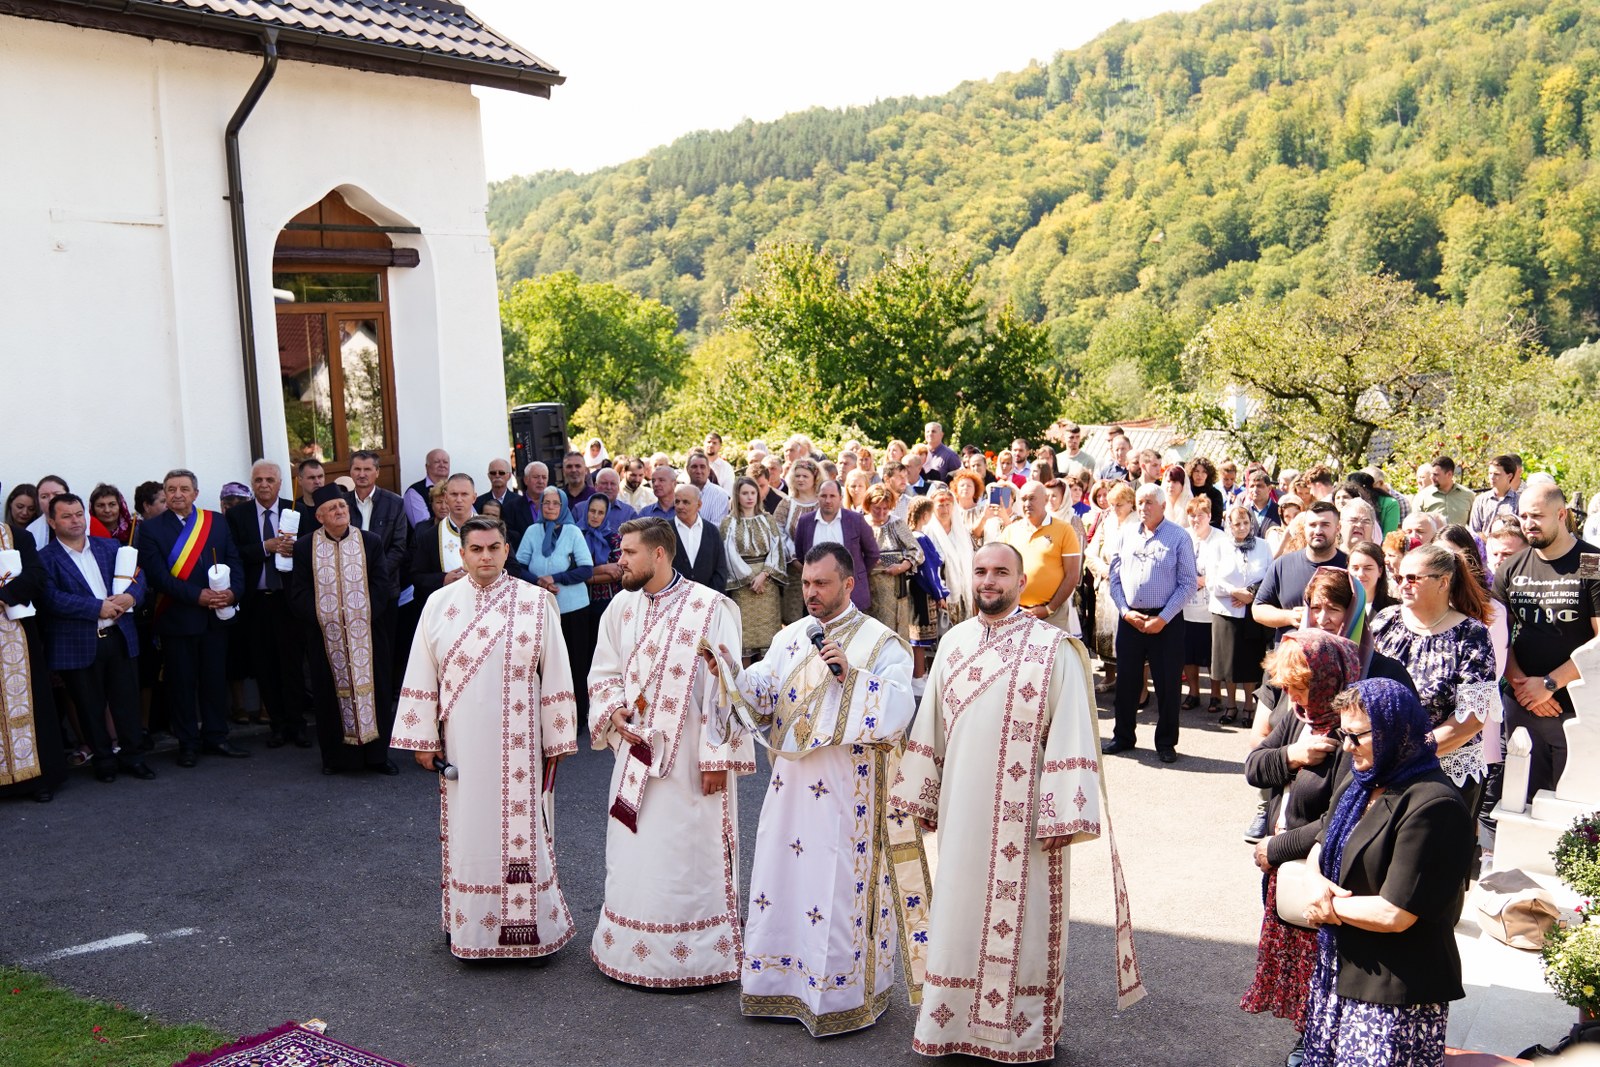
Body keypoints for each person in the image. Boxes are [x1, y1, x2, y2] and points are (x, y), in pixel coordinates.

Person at [892, 542, 1145, 1060]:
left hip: (1026, 821)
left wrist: (1063, 814)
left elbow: (1073, 730)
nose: (989, 581)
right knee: (957, 916)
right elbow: (931, 725)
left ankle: (1021, 1032)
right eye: (981, 571)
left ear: (1021, 581)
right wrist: (924, 797)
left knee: (1027, 927)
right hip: (962, 814)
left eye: (1001, 572)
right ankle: (950, 1026)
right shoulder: (954, 643)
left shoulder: (1054, 648)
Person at [706, 542, 921, 1035]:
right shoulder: (792, 636)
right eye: (805, 583)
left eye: (821, 583)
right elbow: (764, 690)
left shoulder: (881, 643)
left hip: (848, 795)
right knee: (783, 879)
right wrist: (731, 674)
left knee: (835, 887)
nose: (811, 593)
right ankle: (778, 983)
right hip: (791, 789)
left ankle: (841, 995)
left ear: (849, 584)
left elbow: (897, 709)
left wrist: (852, 677)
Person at [392, 515, 577, 959]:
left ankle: (529, 929)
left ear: (507, 550)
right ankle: (470, 928)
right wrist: (423, 738)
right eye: (476, 549)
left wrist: (558, 738)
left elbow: (556, 671)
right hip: (463, 744)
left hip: (522, 745)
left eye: (494, 548)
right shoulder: (439, 604)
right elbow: (421, 670)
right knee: (469, 832)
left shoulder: (536, 602)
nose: (485, 557)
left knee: (526, 833)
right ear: (462, 553)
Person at [587, 517, 754, 986]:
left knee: (689, 853)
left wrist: (718, 758)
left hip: (691, 765)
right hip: (634, 757)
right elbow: (603, 673)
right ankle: (630, 953)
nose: (620, 561)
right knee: (634, 851)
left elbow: (726, 688)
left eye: (629, 553)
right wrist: (614, 711)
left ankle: (696, 959)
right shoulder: (620, 608)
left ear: (658, 554)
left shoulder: (710, 607)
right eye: (620, 552)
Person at [1299, 680, 1474, 1067]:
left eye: (1357, 736)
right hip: (1338, 971)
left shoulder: (1435, 805)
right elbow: (1319, 846)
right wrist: (1316, 886)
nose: (1347, 747)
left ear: (1395, 731)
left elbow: (1396, 914)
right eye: (1343, 734)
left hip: (1392, 995)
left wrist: (1328, 909)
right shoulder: (1361, 782)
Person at [1240, 629, 1363, 1066]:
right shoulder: (1298, 717)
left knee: (1321, 964)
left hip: (1315, 869)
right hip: (1282, 867)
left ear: (1326, 681)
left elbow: (1338, 819)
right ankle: (1308, 1036)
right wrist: (1292, 755)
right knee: (1300, 961)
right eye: (1287, 687)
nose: (1291, 697)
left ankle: (1314, 1042)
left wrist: (1276, 848)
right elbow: (1254, 767)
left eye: (1299, 687)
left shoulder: (1352, 734)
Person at [1370, 543, 1497, 818]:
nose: (1403, 585)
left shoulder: (1471, 634)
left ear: (1443, 582)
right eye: (1399, 577)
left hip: (1443, 777)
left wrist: (1409, 754)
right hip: (1381, 767)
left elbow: (1471, 720)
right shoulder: (1384, 622)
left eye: (1413, 578)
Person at [37, 493, 154, 784]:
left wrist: (130, 597)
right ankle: (103, 761)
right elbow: (50, 598)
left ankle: (133, 757)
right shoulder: (44, 559)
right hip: (78, 643)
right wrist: (95, 607)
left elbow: (138, 576)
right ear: (52, 522)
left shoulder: (110, 546)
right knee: (89, 706)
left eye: (79, 514)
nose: (75, 521)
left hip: (119, 636)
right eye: (66, 516)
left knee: (126, 702)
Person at [1496, 482, 1600, 801]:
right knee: (1520, 803)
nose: (1529, 523)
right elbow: (1497, 638)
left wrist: (1550, 684)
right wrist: (1522, 687)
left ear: (1561, 514)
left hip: (1575, 709)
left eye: (1537, 516)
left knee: (1572, 807)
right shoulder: (1512, 567)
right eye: (1524, 516)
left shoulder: (1591, 562)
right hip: (1522, 706)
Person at [137, 469, 247, 767]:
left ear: (195, 493)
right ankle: (187, 743)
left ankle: (217, 736)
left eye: (184, 489)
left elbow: (234, 560)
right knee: (182, 685)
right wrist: (197, 596)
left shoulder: (216, 521)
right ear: (165, 493)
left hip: (215, 616)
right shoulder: (151, 529)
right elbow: (159, 577)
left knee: (214, 680)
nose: (178, 494)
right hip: (177, 618)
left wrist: (233, 593)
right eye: (171, 489)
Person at [291, 485, 396, 775]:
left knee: (376, 693)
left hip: (368, 634)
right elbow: (298, 591)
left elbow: (382, 584)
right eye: (332, 508)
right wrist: (326, 617)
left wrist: (362, 614)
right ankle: (336, 759)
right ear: (320, 517)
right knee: (329, 695)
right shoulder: (304, 547)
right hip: (326, 637)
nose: (339, 511)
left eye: (342, 506)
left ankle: (377, 757)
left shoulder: (369, 541)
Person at [1104, 483, 1197, 764]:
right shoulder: (1126, 534)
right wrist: (1124, 611)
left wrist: (1163, 618)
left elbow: (1188, 583)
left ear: (1163, 506)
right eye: (1140, 502)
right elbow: (1114, 578)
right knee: (1126, 682)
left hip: (1166, 621)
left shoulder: (1179, 536)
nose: (1143, 508)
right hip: (1131, 619)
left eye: (1149, 503)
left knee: (1168, 685)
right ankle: (1123, 736)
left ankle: (1166, 743)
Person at [224, 459, 311, 749]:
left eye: (269, 480)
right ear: (252, 484)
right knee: (265, 667)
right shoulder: (238, 515)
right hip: (256, 602)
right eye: (258, 480)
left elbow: (312, 549)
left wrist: (295, 549)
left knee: (292, 666)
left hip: (289, 601)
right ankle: (277, 725)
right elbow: (233, 553)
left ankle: (297, 724)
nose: (264, 485)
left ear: (280, 483)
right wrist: (266, 547)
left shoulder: (295, 510)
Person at [0, 508, 66, 802]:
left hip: (16, 635)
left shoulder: (17, 537)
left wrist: (3, 595)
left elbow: (37, 575)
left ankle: (38, 779)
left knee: (31, 705)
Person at [1206, 503, 1275, 724]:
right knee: (1229, 664)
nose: (1242, 527)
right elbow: (1211, 581)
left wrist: (1251, 593)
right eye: (1237, 524)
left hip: (1252, 611)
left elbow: (1270, 577)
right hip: (1226, 612)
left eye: (1246, 522)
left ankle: (1248, 705)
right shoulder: (1218, 546)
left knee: (1250, 661)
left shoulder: (1263, 546)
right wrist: (1233, 591)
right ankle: (1230, 705)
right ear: (1229, 525)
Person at [517, 486, 595, 684]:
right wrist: (539, 582)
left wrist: (555, 578)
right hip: (540, 606)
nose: (550, 507)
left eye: (555, 503)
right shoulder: (532, 531)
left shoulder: (573, 532)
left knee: (576, 660)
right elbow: (518, 568)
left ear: (563, 506)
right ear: (540, 505)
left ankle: (579, 702)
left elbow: (586, 570)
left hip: (573, 608)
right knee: (545, 661)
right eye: (546, 503)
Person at [1254, 501, 1347, 645]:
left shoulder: (1349, 566)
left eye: (1325, 525)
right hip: (1290, 655)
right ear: (1304, 527)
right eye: (1312, 525)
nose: (1318, 531)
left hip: (1336, 653)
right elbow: (1258, 609)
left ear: (1338, 528)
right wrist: (1290, 616)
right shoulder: (1282, 564)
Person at [720, 477, 786, 664]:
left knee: (768, 640)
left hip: (767, 585)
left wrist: (764, 575)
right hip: (743, 586)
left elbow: (777, 548)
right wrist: (750, 578)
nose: (749, 497)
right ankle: (745, 679)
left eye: (753, 493)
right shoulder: (729, 522)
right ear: (737, 495)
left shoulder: (768, 519)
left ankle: (767, 678)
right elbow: (729, 553)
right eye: (745, 493)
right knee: (745, 640)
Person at [1002, 480, 1082, 635]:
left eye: (1032, 498)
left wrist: (1049, 609)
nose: (1027, 504)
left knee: (1053, 651)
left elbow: (1072, 575)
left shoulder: (1064, 530)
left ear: (1046, 500)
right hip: (1016, 614)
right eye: (1023, 499)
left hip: (1053, 615)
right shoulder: (1011, 531)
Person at [793, 480, 879, 614]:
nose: (828, 500)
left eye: (832, 496)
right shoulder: (805, 522)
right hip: (816, 595)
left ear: (840, 498)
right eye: (823, 496)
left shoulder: (856, 520)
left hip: (852, 592)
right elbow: (800, 554)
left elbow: (872, 553)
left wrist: (857, 572)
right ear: (817, 497)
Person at [1086, 481, 1137, 694]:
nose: (1115, 509)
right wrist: (1102, 569)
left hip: (1129, 586)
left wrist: (1119, 572)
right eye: (1112, 504)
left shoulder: (1138, 524)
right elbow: (1090, 552)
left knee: (1128, 636)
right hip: (1106, 584)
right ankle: (1110, 676)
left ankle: (1132, 683)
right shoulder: (1107, 522)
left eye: (1119, 505)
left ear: (1131, 503)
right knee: (1106, 633)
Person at [862, 484, 921, 642]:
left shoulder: (896, 524)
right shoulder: (860, 524)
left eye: (885, 509)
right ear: (868, 505)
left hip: (892, 590)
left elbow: (916, 551)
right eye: (877, 508)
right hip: (866, 587)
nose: (881, 513)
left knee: (890, 635)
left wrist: (901, 567)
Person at [410, 473, 477, 606]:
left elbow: (512, 568)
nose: (459, 500)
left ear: (474, 498)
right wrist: (443, 579)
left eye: (464, 494)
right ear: (446, 497)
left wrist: (481, 576)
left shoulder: (492, 530)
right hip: (446, 607)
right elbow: (417, 576)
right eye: (454, 494)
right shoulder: (430, 536)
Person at [1182, 496, 1222, 712]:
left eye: (1200, 515)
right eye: (1191, 515)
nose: (1195, 519)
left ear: (1209, 516)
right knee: (1189, 654)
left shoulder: (1221, 538)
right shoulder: (1183, 536)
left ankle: (1215, 695)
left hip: (1212, 607)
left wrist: (1205, 580)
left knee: (1212, 654)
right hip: (1186, 607)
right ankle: (1193, 692)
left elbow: (1226, 567)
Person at [775, 458, 822, 624]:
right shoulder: (787, 503)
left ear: (815, 478)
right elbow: (777, 531)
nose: (800, 479)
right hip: (794, 569)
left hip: (821, 567)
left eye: (805, 476)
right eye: (797, 476)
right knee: (793, 616)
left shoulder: (823, 502)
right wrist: (794, 558)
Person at [925, 483, 974, 624]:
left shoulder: (961, 531)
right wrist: (939, 593)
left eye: (948, 505)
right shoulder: (928, 532)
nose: (945, 509)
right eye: (940, 506)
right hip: (940, 594)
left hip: (964, 591)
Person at [670, 483, 728, 594]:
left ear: (699, 505)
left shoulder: (712, 531)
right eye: (677, 502)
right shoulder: (665, 531)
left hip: (708, 598)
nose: (680, 506)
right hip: (673, 599)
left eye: (686, 502)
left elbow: (720, 568)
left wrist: (709, 596)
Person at [476, 457, 532, 545]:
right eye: (493, 473)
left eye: (501, 473)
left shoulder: (520, 502)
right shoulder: (478, 502)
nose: (497, 475)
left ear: (509, 476)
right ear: (489, 476)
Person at [1414, 455, 1474, 528]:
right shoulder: (1422, 497)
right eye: (1431, 474)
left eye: (1436, 474)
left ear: (1449, 474)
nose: (1431, 477)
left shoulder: (1468, 495)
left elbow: (1474, 525)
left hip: (1459, 535)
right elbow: (1416, 525)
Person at [1346, 541, 1397, 618]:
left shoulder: (1394, 610)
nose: (1360, 574)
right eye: (1355, 568)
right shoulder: (1338, 604)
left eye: (1368, 568)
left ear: (1380, 571)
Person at [403, 447, 450, 528]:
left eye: (445, 462)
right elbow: (423, 528)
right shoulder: (414, 492)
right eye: (437, 462)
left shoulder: (457, 488)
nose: (442, 465)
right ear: (427, 466)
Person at [685, 452, 731, 526]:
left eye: (702, 467)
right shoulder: (679, 494)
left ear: (709, 470)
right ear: (687, 469)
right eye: (694, 467)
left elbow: (717, 526)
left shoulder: (719, 494)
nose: (698, 471)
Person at [1244, 467, 1280, 535]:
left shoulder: (1279, 511)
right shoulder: (1244, 512)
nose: (1255, 490)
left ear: (1269, 489)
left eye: (1259, 486)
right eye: (1252, 486)